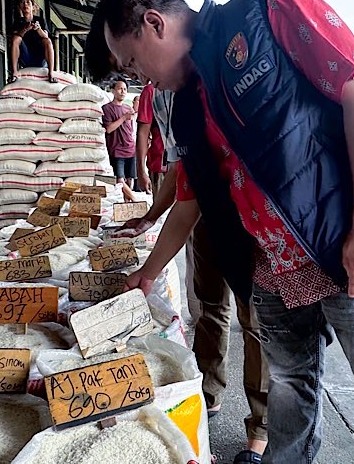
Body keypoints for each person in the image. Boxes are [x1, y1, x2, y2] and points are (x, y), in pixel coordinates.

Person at [85, 0, 354, 464]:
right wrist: (147, 272)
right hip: (274, 267)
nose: (139, 77)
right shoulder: (186, 103)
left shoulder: (265, 7)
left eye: (132, 62)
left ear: (153, 24)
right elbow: (191, 196)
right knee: (290, 388)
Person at [119, 83, 269, 462]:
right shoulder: (170, 95)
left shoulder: (219, 82)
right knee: (209, 307)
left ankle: (260, 431)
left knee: (255, 321)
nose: (141, 76)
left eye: (135, 64)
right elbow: (180, 167)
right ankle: (209, 392)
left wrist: (149, 268)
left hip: (249, 215)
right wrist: (152, 215)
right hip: (206, 217)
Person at [8, 0, 56, 83]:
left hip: (41, 59)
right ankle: (14, 73)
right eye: (22, 3)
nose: (25, 4)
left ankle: (51, 73)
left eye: (28, 2)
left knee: (47, 41)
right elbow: (15, 38)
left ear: (33, 7)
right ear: (20, 7)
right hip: (26, 58)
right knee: (16, 38)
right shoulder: (18, 22)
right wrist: (25, 29)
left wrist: (38, 29)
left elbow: (46, 36)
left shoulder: (40, 20)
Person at [135, 83, 170, 193]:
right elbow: (143, 133)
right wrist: (141, 172)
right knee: (164, 207)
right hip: (161, 164)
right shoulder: (151, 91)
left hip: (188, 165)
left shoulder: (185, 87)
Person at [103, 78, 136, 187]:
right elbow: (109, 129)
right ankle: (129, 200)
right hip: (117, 150)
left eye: (125, 89)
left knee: (130, 179)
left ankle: (128, 202)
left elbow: (130, 129)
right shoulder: (107, 108)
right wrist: (123, 118)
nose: (123, 92)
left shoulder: (128, 108)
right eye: (120, 89)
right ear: (113, 91)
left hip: (130, 148)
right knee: (120, 181)